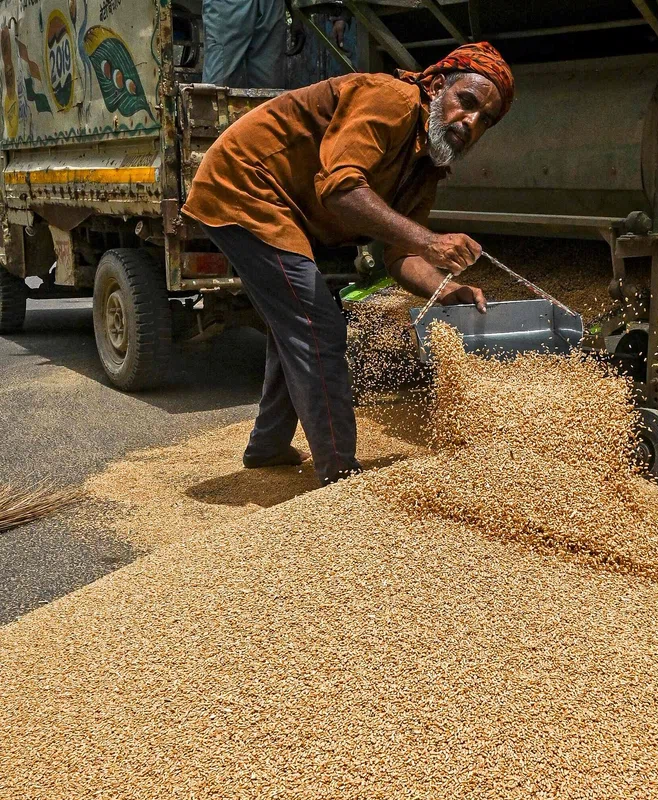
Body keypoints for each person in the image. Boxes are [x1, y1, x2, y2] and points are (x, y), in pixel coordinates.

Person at [182, 42, 515, 480]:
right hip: (247, 186)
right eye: (466, 102)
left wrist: (445, 289)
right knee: (319, 326)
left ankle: (267, 446)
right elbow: (341, 188)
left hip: (289, 209)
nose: (470, 122)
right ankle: (340, 474)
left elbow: (400, 254)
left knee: (300, 320)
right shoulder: (391, 99)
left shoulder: (427, 166)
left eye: (485, 119)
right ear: (436, 86)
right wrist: (431, 241)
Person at [201, 0, 286, 89]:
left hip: (272, 5)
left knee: (269, 85)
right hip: (228, 5)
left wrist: (294, 8)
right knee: (219, 82)